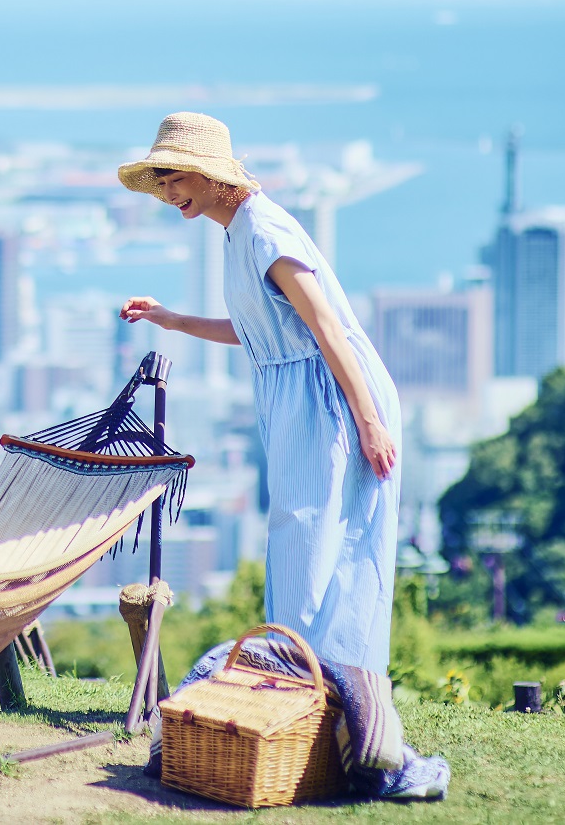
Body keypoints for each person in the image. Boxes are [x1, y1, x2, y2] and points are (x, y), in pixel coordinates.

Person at [117, 112, 448, 800]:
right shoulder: (235, 234)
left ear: (211, 174)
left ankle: (346, 734)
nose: (168, 191)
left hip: (332, 404)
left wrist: (367, 421)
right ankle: (308, 721)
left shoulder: (263, 229)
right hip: (300, 403)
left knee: (332, 561)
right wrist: (171, 320)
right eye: (161, 180)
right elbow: (258, 332)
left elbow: (328, 328)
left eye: (175, 176)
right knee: (304, 556)